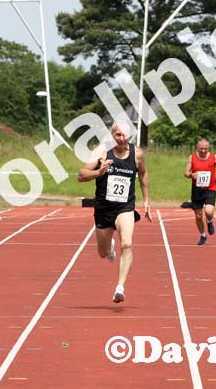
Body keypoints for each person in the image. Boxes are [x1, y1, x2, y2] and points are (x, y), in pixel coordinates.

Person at [77, 120, 151, 303]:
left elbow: (143, 173)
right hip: (103, 209)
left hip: (124, 207)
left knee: (127, 244)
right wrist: (99, 172)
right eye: (118, 134)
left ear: (130, 136)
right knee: (102, 253)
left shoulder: (137, 154)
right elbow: (81, 175)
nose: (121, 138)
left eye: (124, 135)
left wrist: (147, 200)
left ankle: (120, 287)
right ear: (112, 135)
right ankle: (108, 246)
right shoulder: (101, 152)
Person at [183, 137, 216, 245]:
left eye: (205, 149)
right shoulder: (192, 158)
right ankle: (203, 235)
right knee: (198, 216)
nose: (203, 151)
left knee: (208, 211)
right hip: (197, 190)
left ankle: (209, 221)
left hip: (210, 188)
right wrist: (191, 175)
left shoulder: (215, 157)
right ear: (197, 147)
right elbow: (186, 172)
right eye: (201, 149)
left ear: (208, 148)